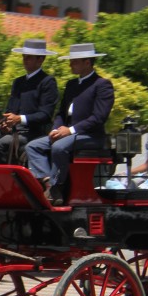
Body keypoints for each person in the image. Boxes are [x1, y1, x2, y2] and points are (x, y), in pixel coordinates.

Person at [25, 42, 115, 204]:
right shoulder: (71, 85)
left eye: (74, 61)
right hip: (68, 133)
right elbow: (61, 113)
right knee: (33, 146)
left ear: (87, 62)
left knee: (59, 147)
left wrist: (70, 130)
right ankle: (48, 183)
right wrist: (55, 129)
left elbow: (98, 117)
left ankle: (56, 186)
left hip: (91, 136)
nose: (70, 64)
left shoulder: (102, 85)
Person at [0, 38, 59, 164]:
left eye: (29, 57)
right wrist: (5, 124)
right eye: (24, 56)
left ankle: (0, 177)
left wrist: (19, 119)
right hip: (13, 130)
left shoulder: (48, 82)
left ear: (41, 59)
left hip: (31, 132)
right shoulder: (18, 82)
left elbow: (45, 115)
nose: (25, 60)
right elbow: (10, 110)